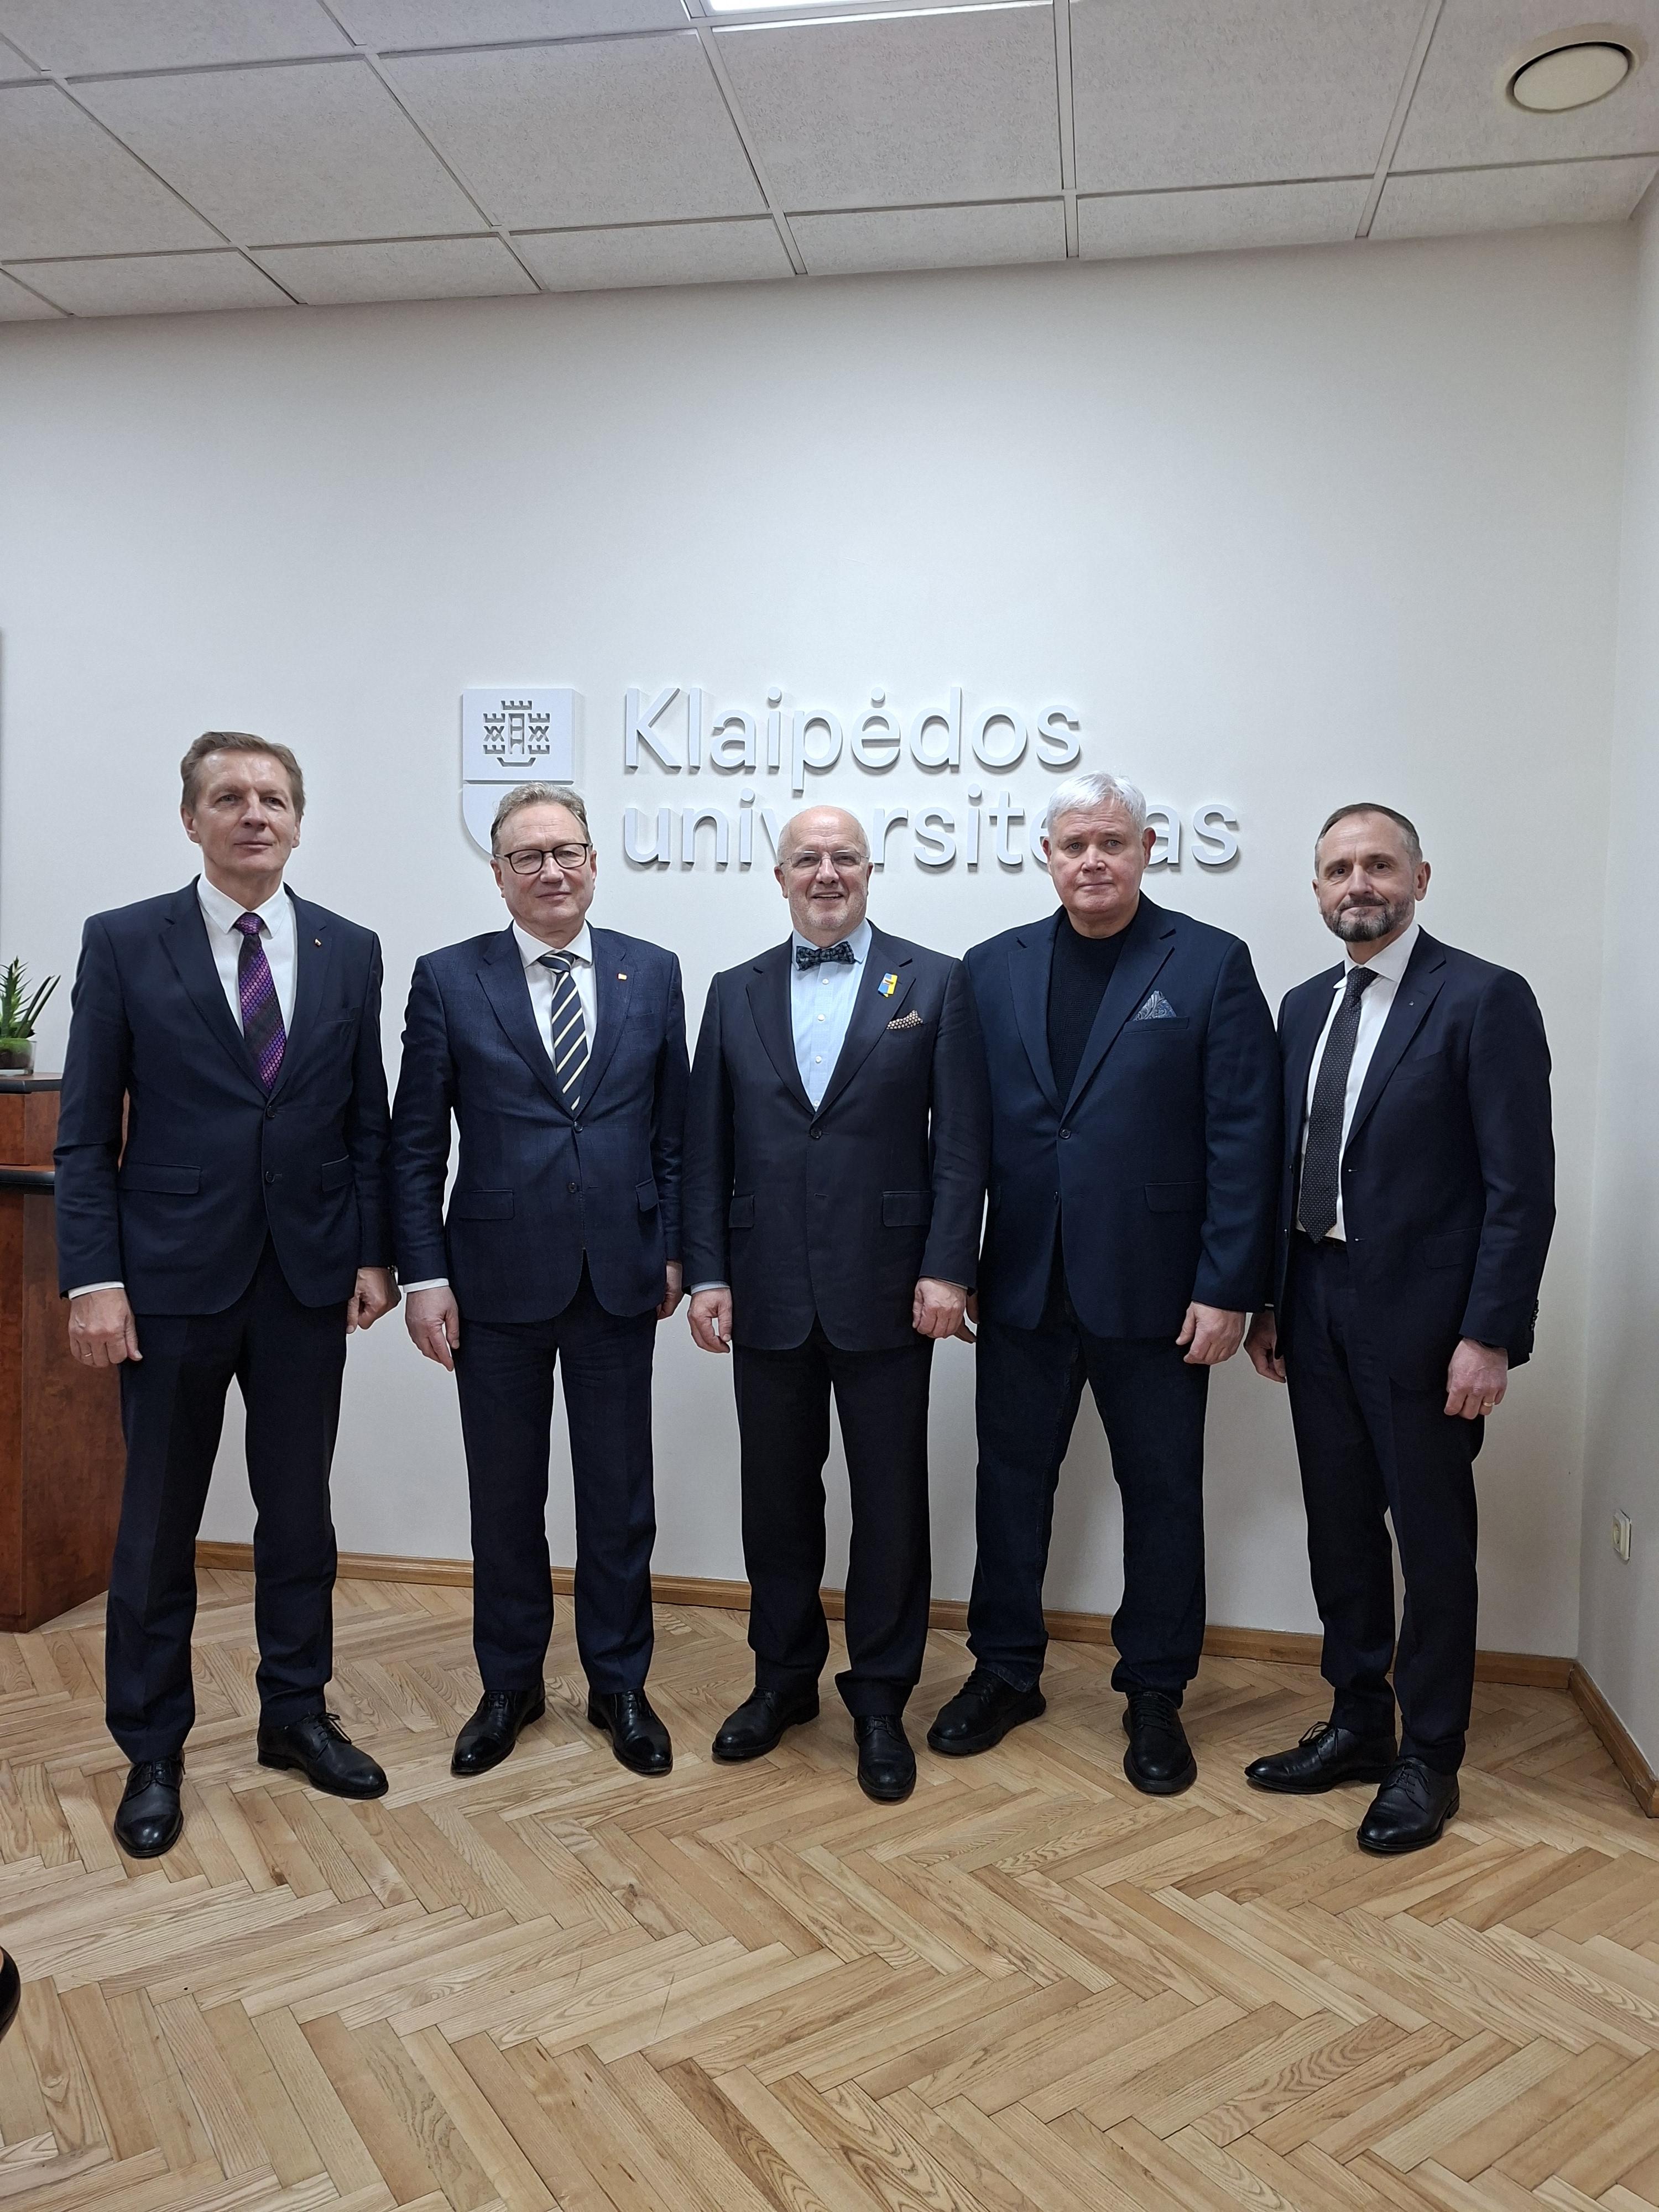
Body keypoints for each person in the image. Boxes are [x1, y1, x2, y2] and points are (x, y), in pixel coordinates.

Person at [55, 732, 397, 1860]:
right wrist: (94, 1278)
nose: (255, 814)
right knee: (158, 1526)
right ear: (192, 819)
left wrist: (374, 1253)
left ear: (298, 819)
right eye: (231, 797)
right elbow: (84, 1129)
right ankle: (153, 1747)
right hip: (168, 1283)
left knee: (299, 1514)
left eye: (274, 798)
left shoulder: (349, 947)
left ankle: (296, 1713)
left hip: (306, 1277)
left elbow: (365, 1118)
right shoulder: (124, 940)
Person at [928, 770, 1279, 1794]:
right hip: (1021, 1283)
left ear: (1146, 850)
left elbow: (1244, 1138)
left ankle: (1156, 1691)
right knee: (1010, 1487)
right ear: (1047, 856)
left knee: (1162, 1494)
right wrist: (950, 1262)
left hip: (1161, 1293)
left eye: (1112, 842)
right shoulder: (990, 968)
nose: (1093, 860)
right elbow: (963, 1138)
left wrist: (1230, 1287)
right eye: (1075, 844)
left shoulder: (1211, 962)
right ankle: (1005, 1670)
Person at [1243, 804, 1554, 1852]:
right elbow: (1284, 1166)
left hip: (1427, 1326)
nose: (1358, 884)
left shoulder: (1483, 998)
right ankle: (1358, 1724)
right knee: (1338, 1527)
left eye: (1379, 865)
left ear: (1420, 879)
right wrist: (1273, 1302)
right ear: (1317, 889)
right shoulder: (1303, 1008)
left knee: (1431, 1538)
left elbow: (1521, 1190)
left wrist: (1490, 1335)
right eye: (1338, 869)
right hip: (1314, 1303)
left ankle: (1431, 1756)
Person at [682, 805, 988, 1802]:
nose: (826, 873)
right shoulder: (733, 990)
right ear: (779, 877)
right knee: (776, 1500)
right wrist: (709, 1273)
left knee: (891, 1502)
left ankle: (881, 1697)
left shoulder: (934, 982)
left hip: (891, 1289)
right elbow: (706, 1147)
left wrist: (949, 1268)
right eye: (807, 859)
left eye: (844, 857)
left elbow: (962, 1146)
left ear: (870, 870)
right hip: (764, 1286)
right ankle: (782, 1681)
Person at [393, 782, 686, 1778]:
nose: (552, 871)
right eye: (529, 857)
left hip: (621, 1278)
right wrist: (424, 1275)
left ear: (594, 862)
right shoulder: (447, 978)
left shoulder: (654, 971)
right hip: (492, 1283)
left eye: (567, 852)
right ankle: (509, 1684)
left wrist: (675, 1250)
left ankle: (620, 1684)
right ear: (499, 875)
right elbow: (416, 1144)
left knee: (620, 1497)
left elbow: (674, 1133)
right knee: (505, 1497)